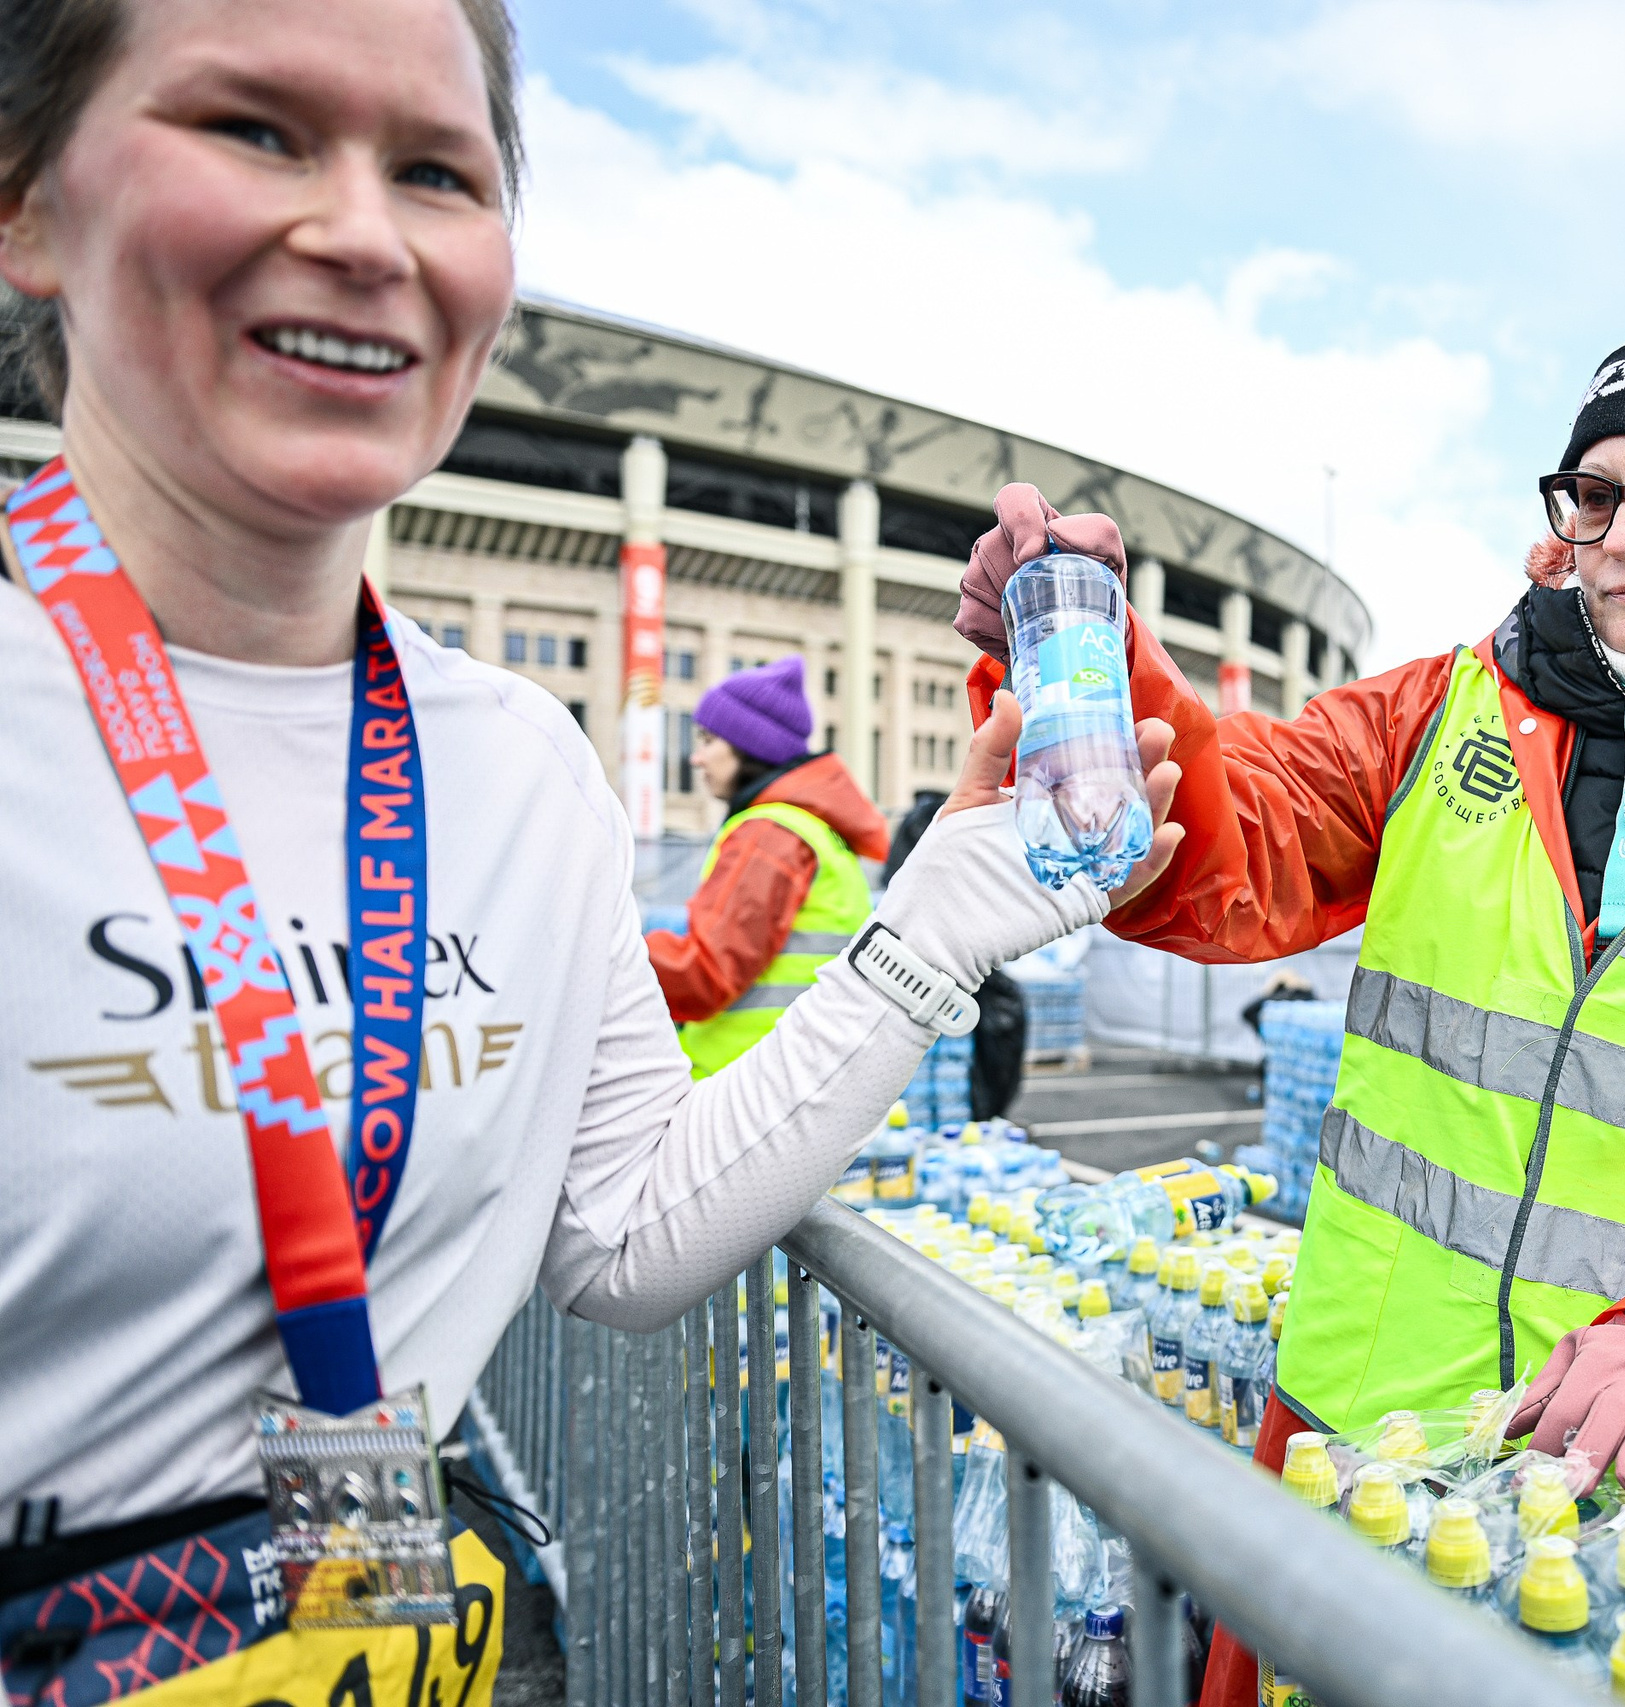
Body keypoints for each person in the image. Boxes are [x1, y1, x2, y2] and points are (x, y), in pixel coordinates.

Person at [0, 1, 1176, 1700]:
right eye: (253, 130)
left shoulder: (515, 769)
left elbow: (625, 1232)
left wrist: (937, 925)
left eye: (435, 168)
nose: (357, 232)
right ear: (30, 198)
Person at [953, 240, 1625, 1707]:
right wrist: (1088, 678)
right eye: (1593, 494)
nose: (1623, 536)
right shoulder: (1449, 709)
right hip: (1349, 1445)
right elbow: (1235, 842)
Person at [645, 655, 891, 1077]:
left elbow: (706, 973)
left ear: (748, 746)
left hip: (743, 1082)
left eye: (707, 741)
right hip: (793, 1075)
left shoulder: (767, 835)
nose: (696, 759)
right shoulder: (817, 831)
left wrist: (610, 955)